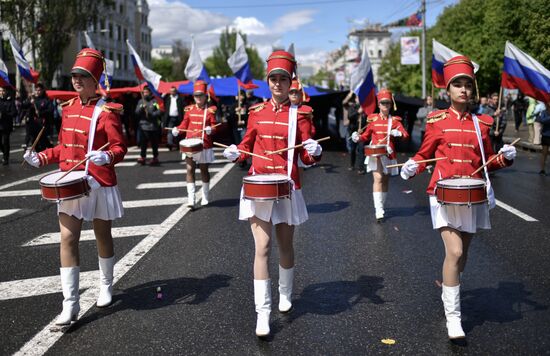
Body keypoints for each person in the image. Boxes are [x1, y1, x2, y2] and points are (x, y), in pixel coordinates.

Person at [399, 56, 516, 340]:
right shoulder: (437, 121)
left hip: (473, 195)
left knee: (462, 256)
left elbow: (486, 161)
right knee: (455, 252)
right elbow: (424, 154)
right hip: (443, 194)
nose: (463, 90)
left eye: (467, 84)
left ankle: (450, 288)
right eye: (457, 85)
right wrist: (412, 166)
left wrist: (504, 159)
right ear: (448, 91)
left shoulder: (483, 124)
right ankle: (454, 318)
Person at [23, 48, 127, 325]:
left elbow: (120, 147)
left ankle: (105, 285)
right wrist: (41, 157)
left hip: (99, 181)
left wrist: (108, 156)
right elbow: (64, 148)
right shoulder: (68, 109)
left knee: (102, 235)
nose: (77, 80)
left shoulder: (107, 111)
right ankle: (70, 304)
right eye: (75, 76)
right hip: (71, 182)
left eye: (84, 76)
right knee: (68, 238)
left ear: (96, 79)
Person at [222, 50, 322, 337]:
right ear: (268, 81)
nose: (278, 84)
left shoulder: (300, 115)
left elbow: (307, 153)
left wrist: (315, 151)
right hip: (258, 186)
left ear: (291, 82)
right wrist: (234, 152)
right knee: (262, 248)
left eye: (283, 78)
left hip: (288, 187)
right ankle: (263, 313)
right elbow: (246, 145)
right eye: (273, 79)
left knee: (285, 245)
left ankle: (285, 292)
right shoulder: (256, 112)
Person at [351, 88, 409, 221]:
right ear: (378, 104)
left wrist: (399, 133)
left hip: (389, 153)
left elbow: (406, 134)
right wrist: (357, 137)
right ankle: (379, 209)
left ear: (391, 105)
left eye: (388, 103)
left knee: (385, 180)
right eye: (383, 103)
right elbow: (365, 136)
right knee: (378, 178)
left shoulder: (394, 121)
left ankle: (381, 204)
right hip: (375, 153)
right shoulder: (373, 120)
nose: (385, 106)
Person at [172, 80, 217, 207]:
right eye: (196, 95)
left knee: (204, 170)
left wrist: (210, 130)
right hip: (190, 145)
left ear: (205, 96)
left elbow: (215, 127)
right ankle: (191, 199)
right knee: (190, 169)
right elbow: (183, 125)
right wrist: (177, 129)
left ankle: (205, 196)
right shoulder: (189, 110)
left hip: (204, 144)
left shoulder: (210, 111)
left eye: (200, 95)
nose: (198, 98)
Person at [135, 86, 161, 165]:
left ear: (150, 93)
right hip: (144, 126)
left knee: (154, 143)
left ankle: (155, 157)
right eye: (144, 92)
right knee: (143, 143)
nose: (145, 94)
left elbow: (159, 111)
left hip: (153, 126)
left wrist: (152, 114)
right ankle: (143, 157)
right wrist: (142, 108)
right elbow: (136, 112)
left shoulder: (155, 102)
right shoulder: (141, 102)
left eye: (146, 92)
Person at [25, 83, 54, 150]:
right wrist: (29, 102)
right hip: (33, 125)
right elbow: (23, 106)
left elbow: (50, 109)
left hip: (42, 124)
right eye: (36, 90)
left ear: (43, 90)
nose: (37, 92)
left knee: (43, 142)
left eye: (39, 90)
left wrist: (40, 113)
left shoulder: (46, 100)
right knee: (34, 143)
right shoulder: (33, 99)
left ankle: (48, 149)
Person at [342, 92, 366, 173]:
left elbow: (368, 120)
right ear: (355, 99)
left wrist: (364, 127)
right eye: (358, 98)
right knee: (352, 149)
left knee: (361, 149)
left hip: (362, 133)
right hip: (353, 132)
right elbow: (350, 116)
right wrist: (358, 112)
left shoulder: (365, 108)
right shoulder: (352, 106)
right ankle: (352, 165)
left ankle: (361, 168)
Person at [163, 86, 184, 151]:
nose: (172, 92)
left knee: (177, 132)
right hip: (170, 117)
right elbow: (161, 100)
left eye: (174, 91)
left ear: (176, 91)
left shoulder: (180, 98)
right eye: (171, 91)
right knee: (170, 131)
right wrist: (164, 94)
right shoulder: (167, 98)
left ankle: (178, 145)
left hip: (178, 117)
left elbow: (183, 107)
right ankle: (170, 144)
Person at [0, 86, 17, 165]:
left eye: (3, 91)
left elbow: (14, 113)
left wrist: (5, 114)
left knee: (5, 142)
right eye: (0, 91)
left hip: (6, 125)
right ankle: (5, 152)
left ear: (6, 92)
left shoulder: (10, 101)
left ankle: (6, 158)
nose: (2, 92)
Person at [536, 101, 550, 175]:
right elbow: (541, 120)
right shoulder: (543, 112)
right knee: (544, 153)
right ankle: (542, 169)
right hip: (545, 135)